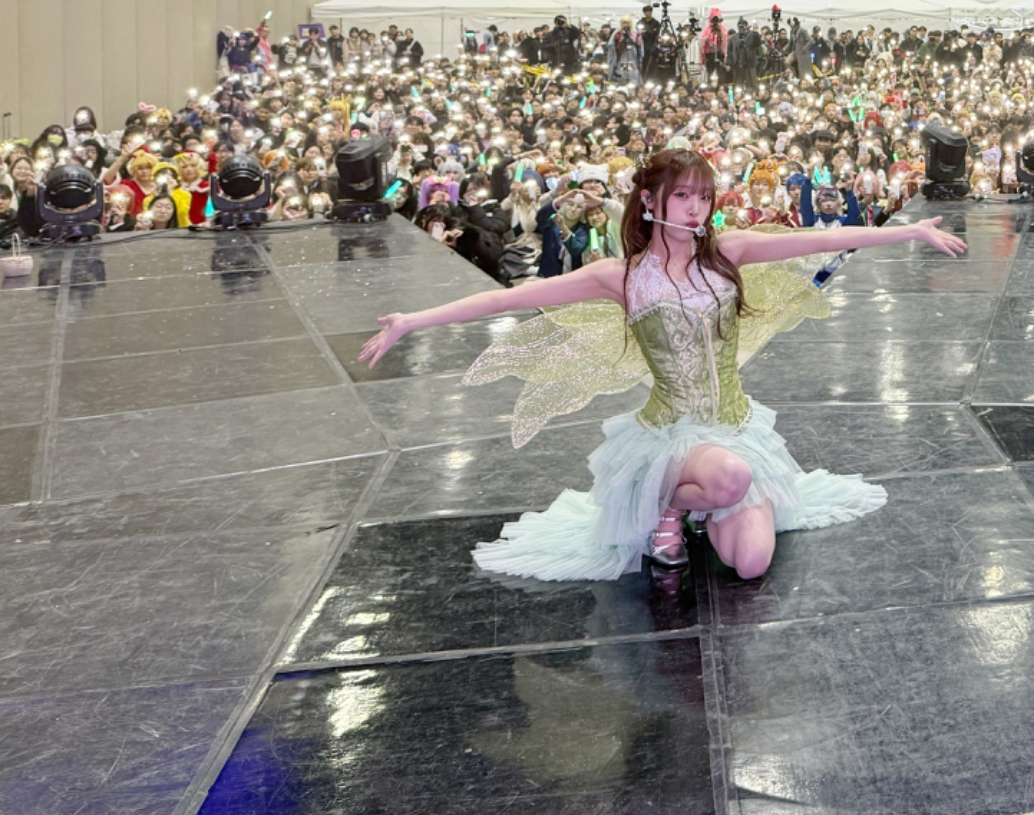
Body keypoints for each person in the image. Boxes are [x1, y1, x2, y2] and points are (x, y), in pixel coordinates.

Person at [357, 149, 966, 581]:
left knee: (751, 564)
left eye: (704, 196)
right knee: (728, 477)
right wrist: (412, 321)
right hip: (673, 435)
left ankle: (703, 505)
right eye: (683, 195)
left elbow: (823, 240)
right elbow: (506, 300)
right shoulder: (620, 277)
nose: (696, 208)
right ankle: (670, 509)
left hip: (735, 425)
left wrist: (908, 232)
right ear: (650, 201)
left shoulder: (729, 252)